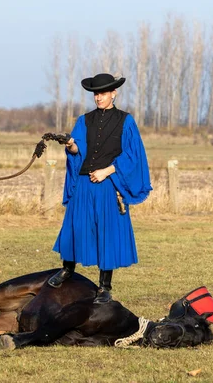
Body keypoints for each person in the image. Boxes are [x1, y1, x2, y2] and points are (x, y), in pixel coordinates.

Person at [48, 73, 152, 304]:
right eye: (96, 94)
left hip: (108, 185)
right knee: (76, 227)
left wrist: (108, 170)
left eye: (103, 93)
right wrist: (72, 145)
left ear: (114, 93)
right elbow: (78, 152)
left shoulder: (126, 121)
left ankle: (105, 286)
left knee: (107, 232)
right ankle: (67, 270)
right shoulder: (84, 120)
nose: (98, 97)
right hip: (84, 184)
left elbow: (133, 155)